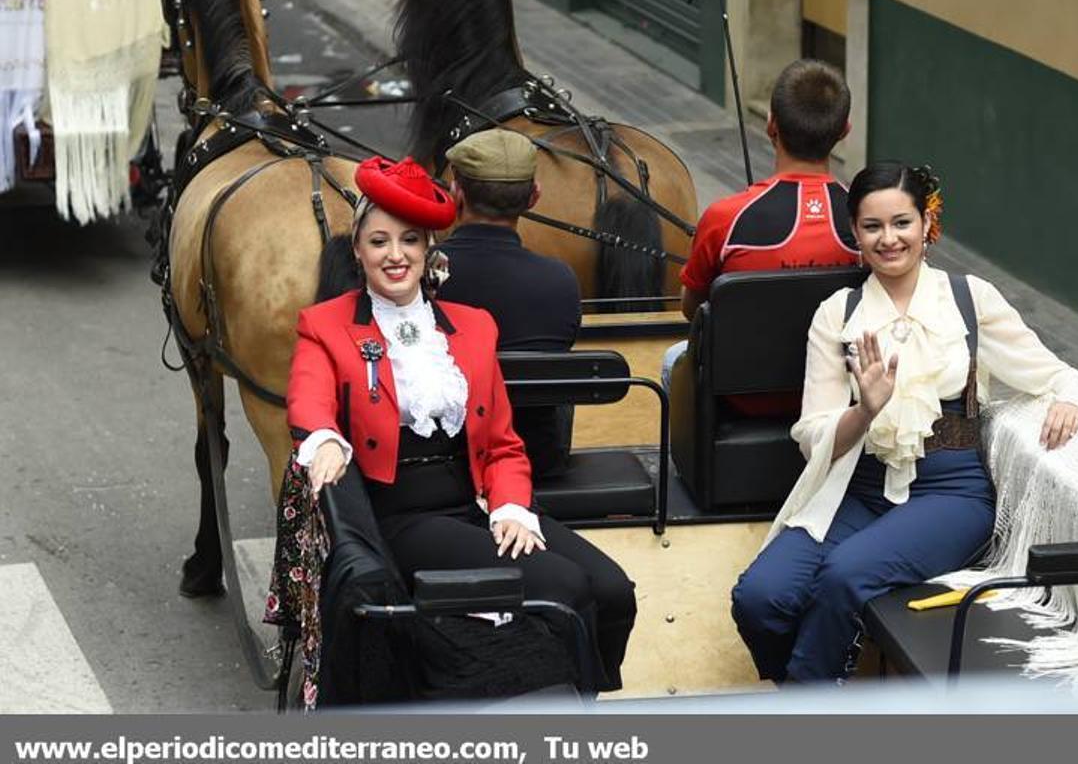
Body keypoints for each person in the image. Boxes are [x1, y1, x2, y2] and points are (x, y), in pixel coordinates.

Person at [729, 162, 1078, 683]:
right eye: (872, 226)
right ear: (854, 232)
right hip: (856, 488)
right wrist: (865, 409)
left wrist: (1070, 399)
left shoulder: (970, 299)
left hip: (951, 492)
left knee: (845, 574)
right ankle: (813, 686)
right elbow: (813, 436)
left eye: (902, 223)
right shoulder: (839, 313)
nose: (889, 239)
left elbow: (1056, 373)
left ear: (927, 224)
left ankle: (804, 714)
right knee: (759, 596)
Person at [286, 155, 636, 693]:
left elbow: (503, 444)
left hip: (477, 505)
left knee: (613, 589)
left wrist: (513, 506)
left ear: (429, 250)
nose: (395, 255)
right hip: (403, 517)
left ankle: (565, 688)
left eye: (409, 241)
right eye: (379, 242)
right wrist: (325, 438)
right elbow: (309, 400)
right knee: (564, 584)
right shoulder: (326, 325)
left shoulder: (474, 328)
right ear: (357, 250)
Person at [665, 59, 860, 416]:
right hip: (840, 400)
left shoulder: (725, 218)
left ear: (771, 124)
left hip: (742, 400)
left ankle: (689, 472)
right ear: (844, 130)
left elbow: (691, 308)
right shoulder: (870, 224)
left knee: (672, 359)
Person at [436, 128, 581, 482]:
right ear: (534, 197)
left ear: (456, 193)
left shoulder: (423, 281)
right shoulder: (561, 281)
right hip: (538, 461)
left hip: (448, 467)